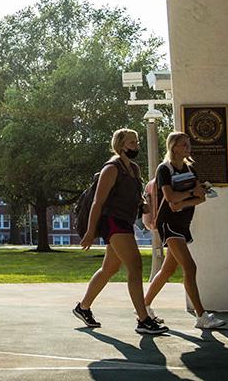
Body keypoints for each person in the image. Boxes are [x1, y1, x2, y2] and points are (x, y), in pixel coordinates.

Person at [73, 128, 168, 335]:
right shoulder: (111, 168)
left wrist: (143, 204)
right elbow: (98, 202)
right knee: (135, 265)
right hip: (112, 221)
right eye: (132, 143)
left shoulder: (134, 169)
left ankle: (83, 307)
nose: (136, 146)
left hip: (125, 221)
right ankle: (143, 319)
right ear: (120, 145)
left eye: (137, 142)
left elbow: (135, 195)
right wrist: (90, 231)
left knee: (110, 268)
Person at [143, 131, 226, 329]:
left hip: (183, 223)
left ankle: (143, 306)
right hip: (169, 224)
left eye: (188, 144)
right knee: (190, 267)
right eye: (184, 144)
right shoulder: (164, 169)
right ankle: (202, 316)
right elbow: (170, 199)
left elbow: (201, 198)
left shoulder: (191, 169)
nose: (188, 147)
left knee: (167, 270)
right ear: (173, 147)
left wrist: (186, 199)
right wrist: (189, 195)